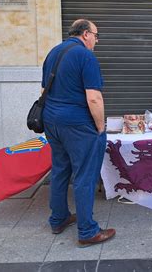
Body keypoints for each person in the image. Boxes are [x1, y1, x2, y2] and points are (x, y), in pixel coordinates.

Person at [41, 19, 115, 247]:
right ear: (85, 34)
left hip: (52, 121)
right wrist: (101, 127)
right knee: (85, 175)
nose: (96, 40)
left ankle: (58, 218)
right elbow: (93, 97)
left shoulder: (54, 52)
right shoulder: (86, 56)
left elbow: (44, 90)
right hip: (78, 124)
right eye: (95, 34)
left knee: (61, 170)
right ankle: (87, 231)